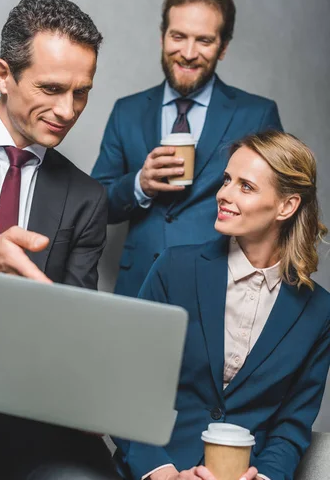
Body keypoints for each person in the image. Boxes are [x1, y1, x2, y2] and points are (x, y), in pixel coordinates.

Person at [0, 0, 120, 479]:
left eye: (82, 93)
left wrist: (88, 386)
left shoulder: (85, 197)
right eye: (52, 88)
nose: (67, 109)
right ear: (3, 74)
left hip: (18, 403)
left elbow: (75, 318)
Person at [114, 130, 330, 480]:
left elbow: (291, 425)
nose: (224, 194)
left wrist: (266, 477)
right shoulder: (174, 268)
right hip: (158, 471)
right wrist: (162, 472)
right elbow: (128, 387)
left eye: (246, 186)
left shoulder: (319, 311)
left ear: (286, 206)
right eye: (227, 180)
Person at [92, 0, 283, 298]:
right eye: (178, 36)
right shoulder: (127, 111)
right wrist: (140, 184)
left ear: (223, 48)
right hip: (138, 284)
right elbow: (96, 203)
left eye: (204, 40)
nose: (188, 53)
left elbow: (273, 209)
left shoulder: (258, 115)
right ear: (162, 37)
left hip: (222, 287)